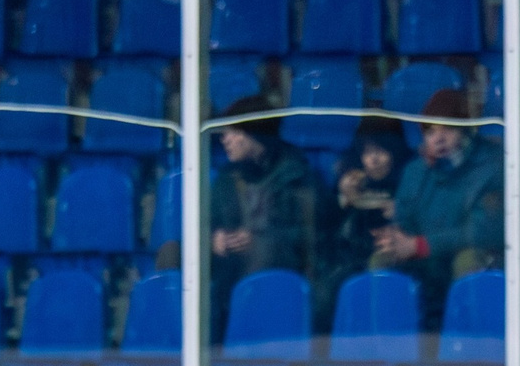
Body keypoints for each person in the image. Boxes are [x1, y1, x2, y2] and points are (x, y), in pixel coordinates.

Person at [376, 91, 504, 328]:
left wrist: (420, 245)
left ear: (467, 129)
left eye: (448, 129)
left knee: (468, 261)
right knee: (380, 262)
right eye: (431, 131)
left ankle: (471, 349)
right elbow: (404, 220)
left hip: (475, 257)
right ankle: (388, 354)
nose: (439, 139)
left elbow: (483, 231)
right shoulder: (415, 171)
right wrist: (395, 241)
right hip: (426, 262)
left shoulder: (493, 166)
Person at [208, 94, 317, 309]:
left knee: (262, 250)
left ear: (254, 134)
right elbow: (208, 222)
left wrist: (258, 240)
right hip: (231, 269)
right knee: (172, 252)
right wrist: (214, 239)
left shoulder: (296, 176)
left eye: (234, 132)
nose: (224, 139)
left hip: (282, 270)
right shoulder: (227, 178)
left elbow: (308, 237)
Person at [317, 120, 408, 321]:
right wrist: (342, 199)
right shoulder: (351, 180)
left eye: (381, 151)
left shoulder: (408, 181)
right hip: (349, 259)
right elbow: (323, 227)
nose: (373, 160)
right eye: (367, 152)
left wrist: (400, 213)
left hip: (394, 261)